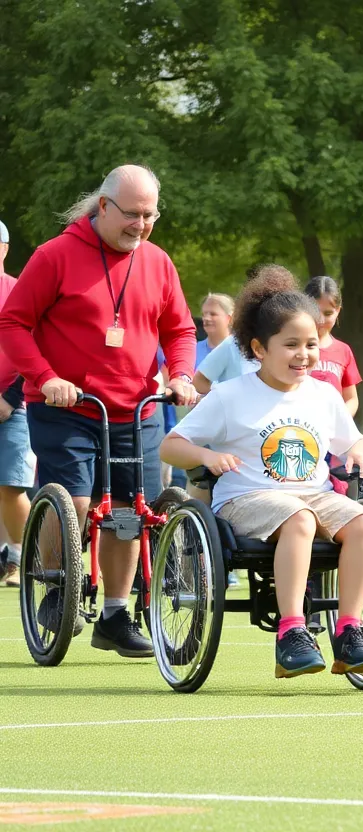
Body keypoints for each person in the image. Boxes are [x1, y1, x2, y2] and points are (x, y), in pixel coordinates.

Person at [0, 164, 198, 657]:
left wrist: (179, 376)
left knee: (131, 513)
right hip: (67, 405)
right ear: (103, 207)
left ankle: (114, 615)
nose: (142, 224)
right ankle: (56, 581)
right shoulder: (55, 255)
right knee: (79, 504)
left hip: (136, 410)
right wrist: (46, 378)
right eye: (132, 214)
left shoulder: (157, 261)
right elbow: (14, 323)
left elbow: (180, 330)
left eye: (150, 215)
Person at [160, 268, 363, 679]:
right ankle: (292, 631)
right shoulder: (230, 395)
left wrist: (360, 451)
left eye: (312, 344)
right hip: (247, 498)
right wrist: (207, 458)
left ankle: (351, 630)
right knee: (299, 519)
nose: (304, 354)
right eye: (292, 345)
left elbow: (353, 441)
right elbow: (170, 445)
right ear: (260, 349)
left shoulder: (323, 394)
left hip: (313, 495)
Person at [0, 218, 33, 587]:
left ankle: (23, 555)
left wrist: (11, 397)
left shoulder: (18, 290)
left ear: (4, 249)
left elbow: (37, 348)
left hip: (13, 405)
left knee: (11, 486)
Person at [304, 276, 360, 417]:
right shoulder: (292, 348)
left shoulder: (344, 350)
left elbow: (351, 398)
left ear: (338, 311)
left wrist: (340, 420)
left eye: (328, 313)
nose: (321, 320)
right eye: (315, 312)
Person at [197, 293, 235, 367]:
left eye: (213, 314)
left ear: (229, 319)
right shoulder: (191, 351)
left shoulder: (244, 352)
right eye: (204, 314)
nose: (206, 318)